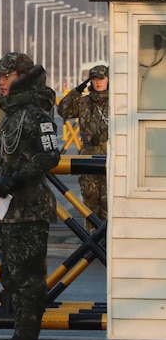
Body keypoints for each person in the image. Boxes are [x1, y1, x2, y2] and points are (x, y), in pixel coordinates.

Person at [0, 52, 61, 340]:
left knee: (29, 277)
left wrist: (16, 178)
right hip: (10, 209)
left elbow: (49, 156)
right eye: (0, 78)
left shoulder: (34, 113)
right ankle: (19, 334)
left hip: (30, 209)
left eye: (6, 77)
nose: (1, 83)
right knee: (12, 275)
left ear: (22, 77)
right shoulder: (12, 114)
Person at [56, 65, 109, 228]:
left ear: (108, 80)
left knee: (108, 203)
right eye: (94, 79)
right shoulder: (85, 102)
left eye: (101, 79)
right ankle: (92, 243)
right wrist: (77, 90)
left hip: (109, 158)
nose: (98, 82)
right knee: (90, 205)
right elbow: (63, 110)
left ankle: (108, 245)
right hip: (88, 159)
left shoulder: (116, 102)